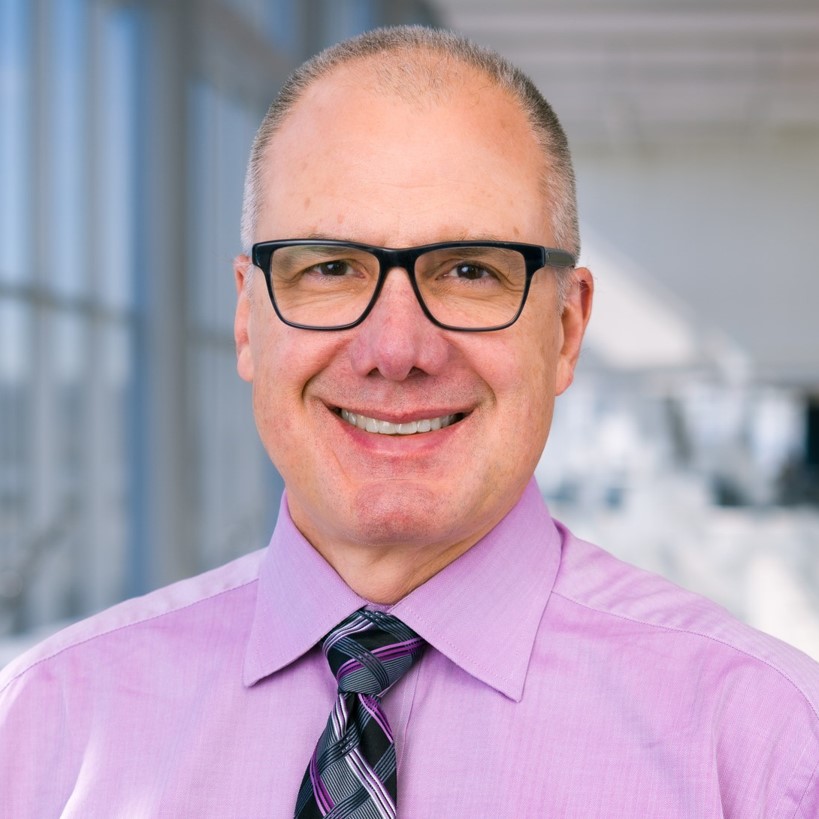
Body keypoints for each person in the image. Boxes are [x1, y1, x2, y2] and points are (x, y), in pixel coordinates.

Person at [1, 25, 817, 818]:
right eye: (329, 267)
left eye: (469, 270)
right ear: (248, 320)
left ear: (566, 329)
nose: (396, 349)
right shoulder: (47, 729)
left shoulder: (763, 748)